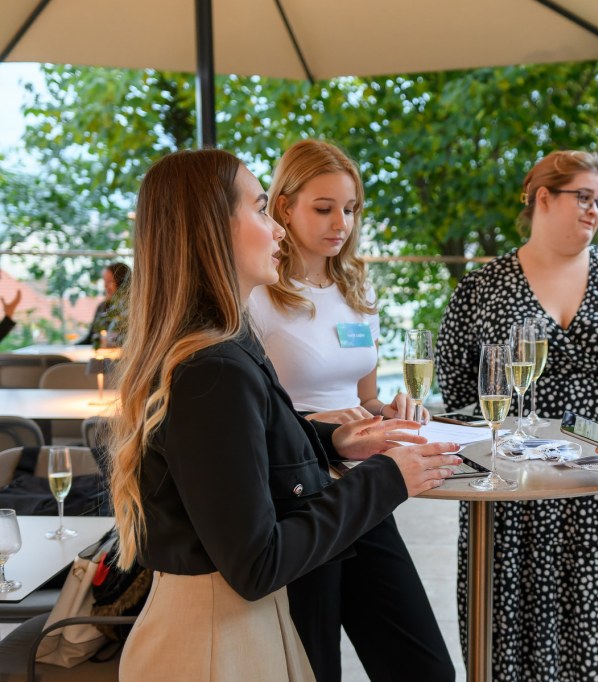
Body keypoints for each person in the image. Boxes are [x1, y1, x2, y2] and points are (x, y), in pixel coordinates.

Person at [107, 148, 463, 681]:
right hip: (216, 644)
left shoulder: (224, 347)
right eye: (260, 209)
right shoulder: (214, 368)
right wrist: (388, 477)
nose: (276, 228)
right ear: (212, 228)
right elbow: (257, 563)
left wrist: (335, 441)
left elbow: (251, 443)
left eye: (350, 209)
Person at [436, 150, 598, 680]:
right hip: (515, 478)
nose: (594, 211)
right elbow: (457, 382)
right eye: (583, 197)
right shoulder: (484, 285)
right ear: (543, 197)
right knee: (515, 606)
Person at [249, 139, 453, 681]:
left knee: (425, 669)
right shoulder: (258, 295)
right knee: (315, 666)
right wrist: (324, 427)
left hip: (361, 489)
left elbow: (363, 399)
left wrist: (392, 410)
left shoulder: (354, 289)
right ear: (283, 206)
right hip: (297, 496)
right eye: (324, 208)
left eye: (351, 208)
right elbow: (252, 415)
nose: (341, 223)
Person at [79, 261, 131, 346]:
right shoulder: (102, 307)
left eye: (110, 281)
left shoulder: (129, 310)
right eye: (105, 281)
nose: (105, 286)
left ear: (123, 283)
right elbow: (90, 337)